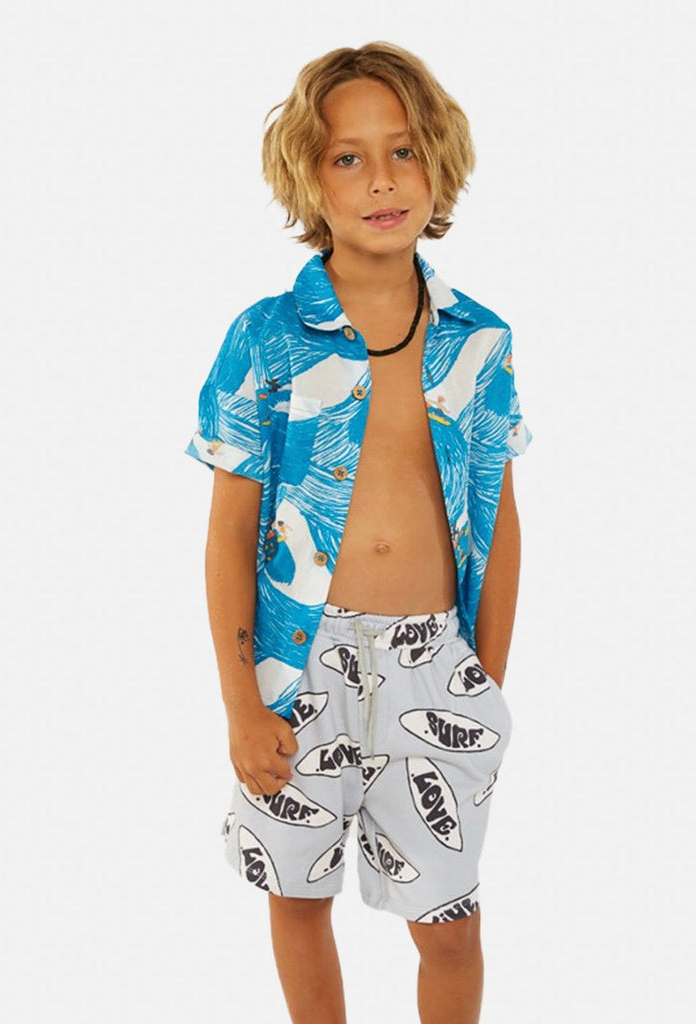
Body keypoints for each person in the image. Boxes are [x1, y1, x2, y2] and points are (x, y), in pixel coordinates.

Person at [184, 40, 532, 1024]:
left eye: (403, 151)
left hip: (435, 663)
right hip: (300, 668)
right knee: (297, 896)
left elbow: (499, 516)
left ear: (438, 164)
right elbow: (229, 534)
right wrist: (242, 706)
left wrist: (483, 680)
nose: (382, 178)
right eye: (349, 156)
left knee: (449, 923)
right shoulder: (266, 337)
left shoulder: (479, 339)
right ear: (311, 177)